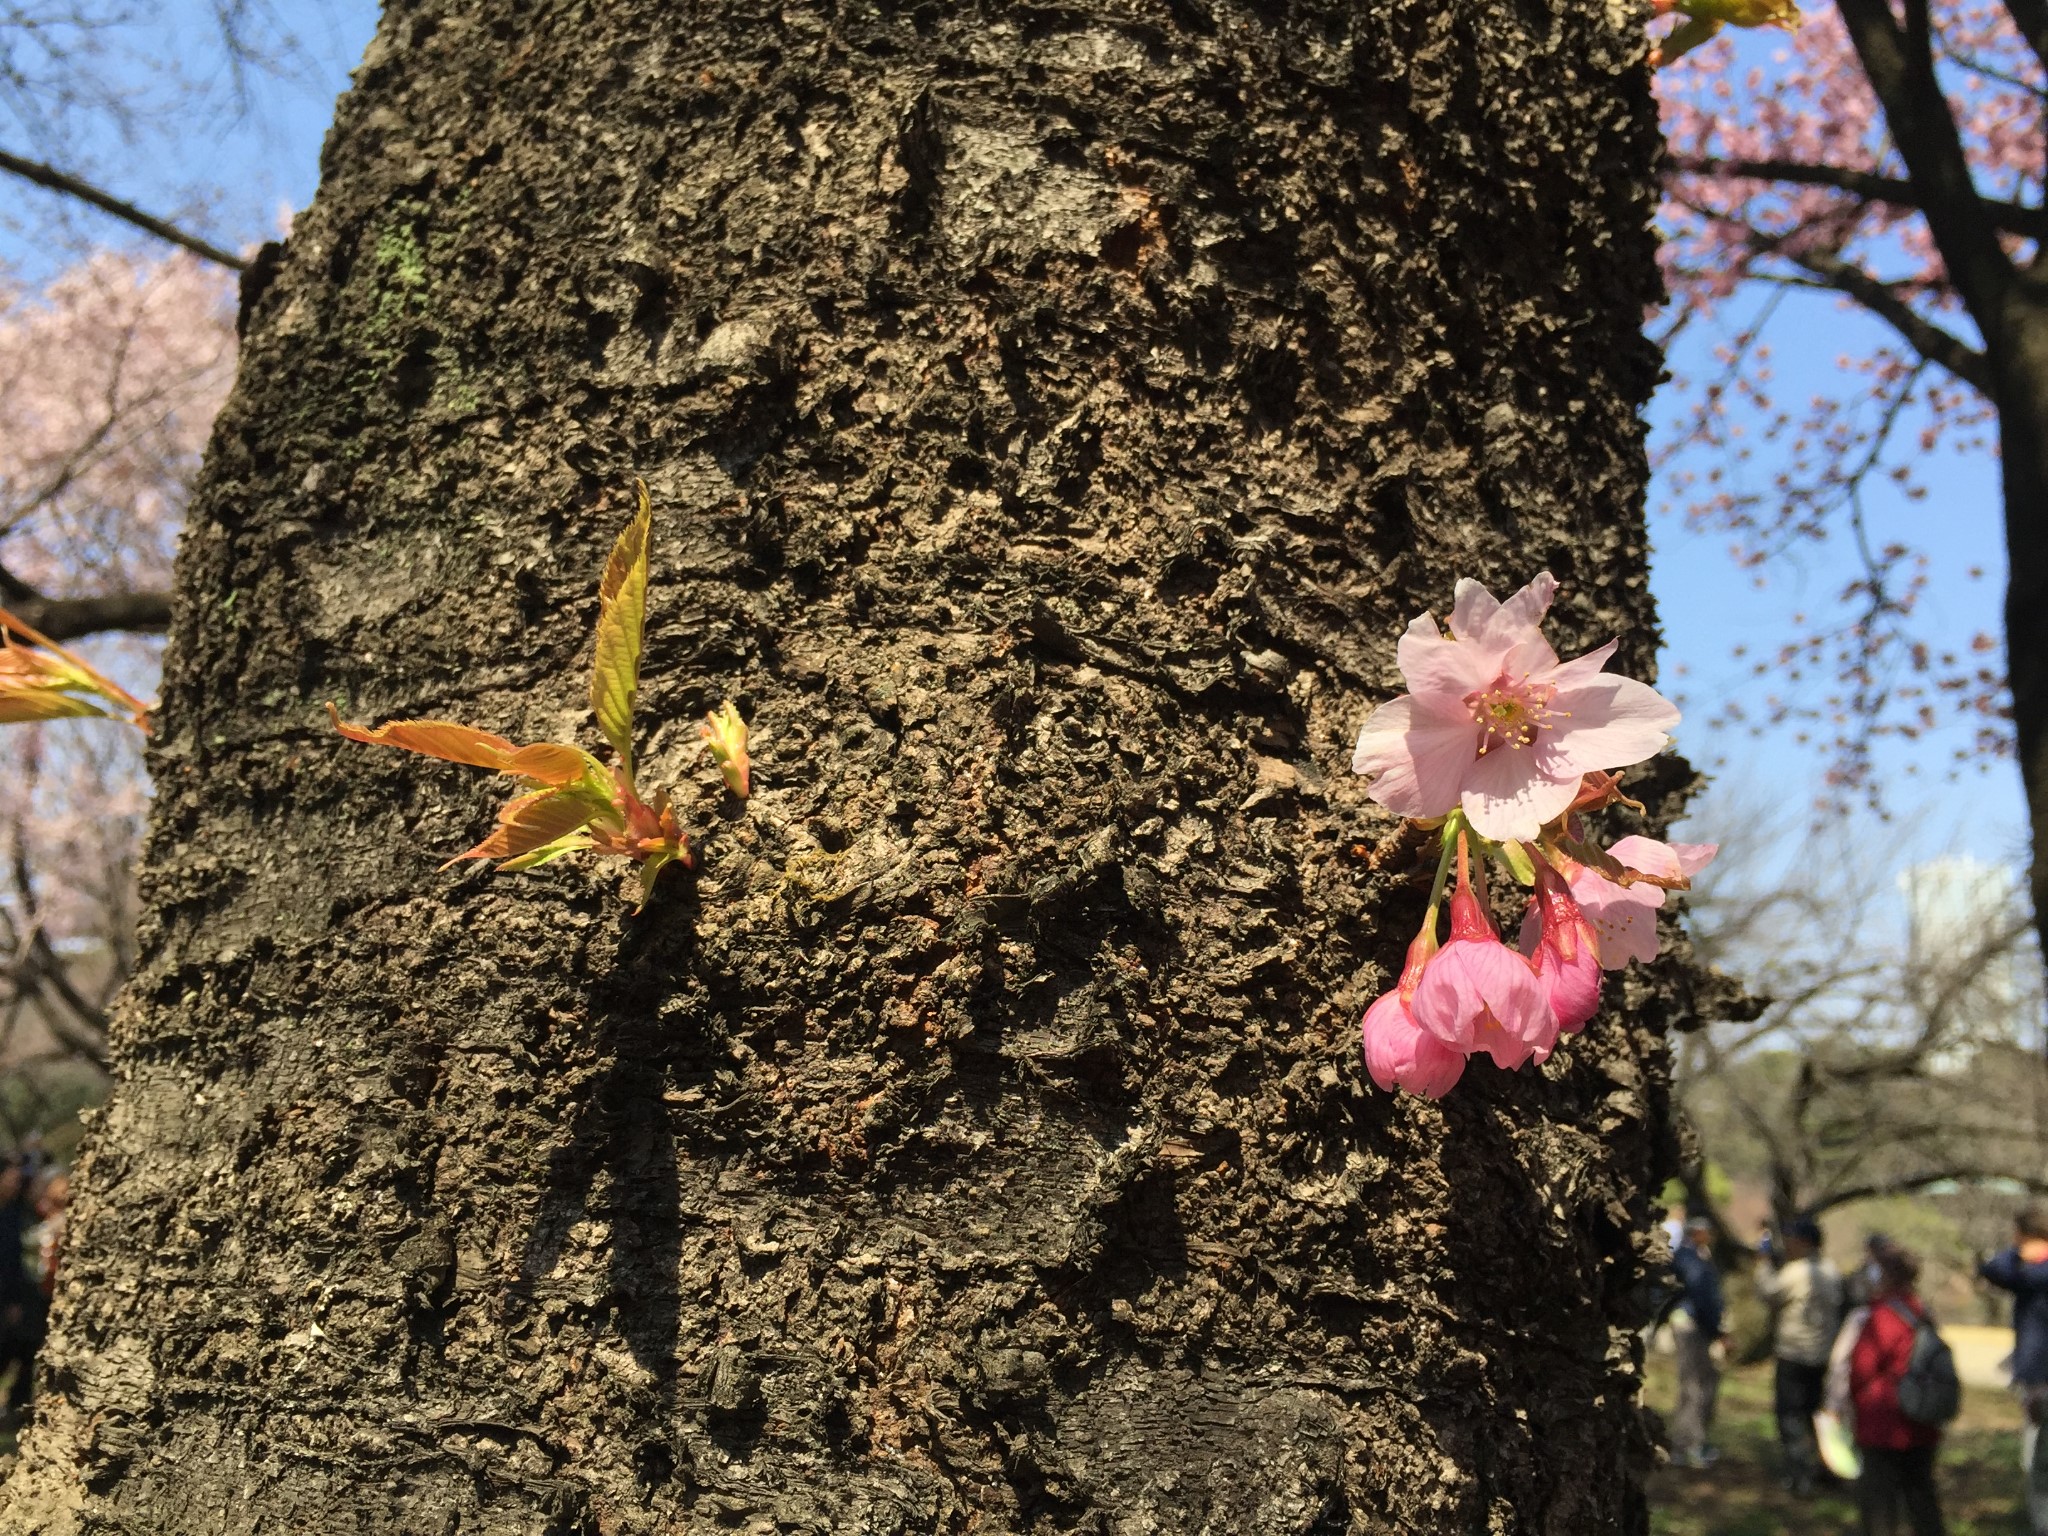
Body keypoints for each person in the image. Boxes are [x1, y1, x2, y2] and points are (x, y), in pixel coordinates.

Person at [1851, 1246, 1947, 1536]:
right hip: (1922, 1420)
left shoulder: (1881, 1317)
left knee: (1880, 1504)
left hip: (1882, 1423)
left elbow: (1862, 1368)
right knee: (1922, 1498)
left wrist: (1852, 1404)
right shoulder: (1922, 1311)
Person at [1758, 1214, 1846, 1494]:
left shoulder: (1796, 1272)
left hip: (1793, 1354)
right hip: (1822, 1355)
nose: (1788, 1244)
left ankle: (1800, 1476)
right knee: (1817, 1415)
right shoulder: (1832, 1272)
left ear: (1805, 1242)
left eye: (1792, 1239)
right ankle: (1826, 1469)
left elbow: (1768, 1293)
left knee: (1790, 1415)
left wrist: (1762, 1264)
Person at [1979, 1203, 2048, 1534]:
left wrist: (2021, 1251)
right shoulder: (2029, 1271)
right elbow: (1992, 1270)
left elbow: (1995, 1267)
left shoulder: (2031, 1273)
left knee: (2037, 1461)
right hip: (2035, 1375)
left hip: (2039, 1378)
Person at [1670, 1215, 1727, 1469]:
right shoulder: (1690, 1257)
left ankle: (1687, 1443)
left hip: (1696, 1325)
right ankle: (1690, 1445)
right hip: (1692, 1326)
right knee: (1695, 1386)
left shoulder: (1697, 1255)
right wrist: (1715, 1330)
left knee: (1698, 1384)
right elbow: (1702, 1293)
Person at [0, 1159, 44, 1420]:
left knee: (27, 1347)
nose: (17, 1184)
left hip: (15, 1297)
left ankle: (16, 1405)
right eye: (12, 1179)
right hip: (6, 1299)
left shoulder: (14, 1212)